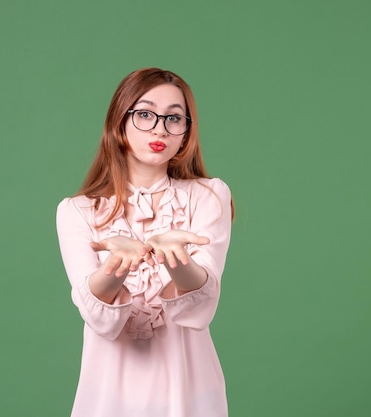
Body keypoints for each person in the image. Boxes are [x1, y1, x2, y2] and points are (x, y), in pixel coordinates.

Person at [56, 67, 233, 417]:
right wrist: (116, 264)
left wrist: (175, 258)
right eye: (146, 114)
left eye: (174, 118)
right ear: (119, 122)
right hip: (107, 394)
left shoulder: (209, 196)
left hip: (190, 390)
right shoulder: (77, 211)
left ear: (186, 133)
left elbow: (202, 304)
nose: (159, 129)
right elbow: (98, 316)